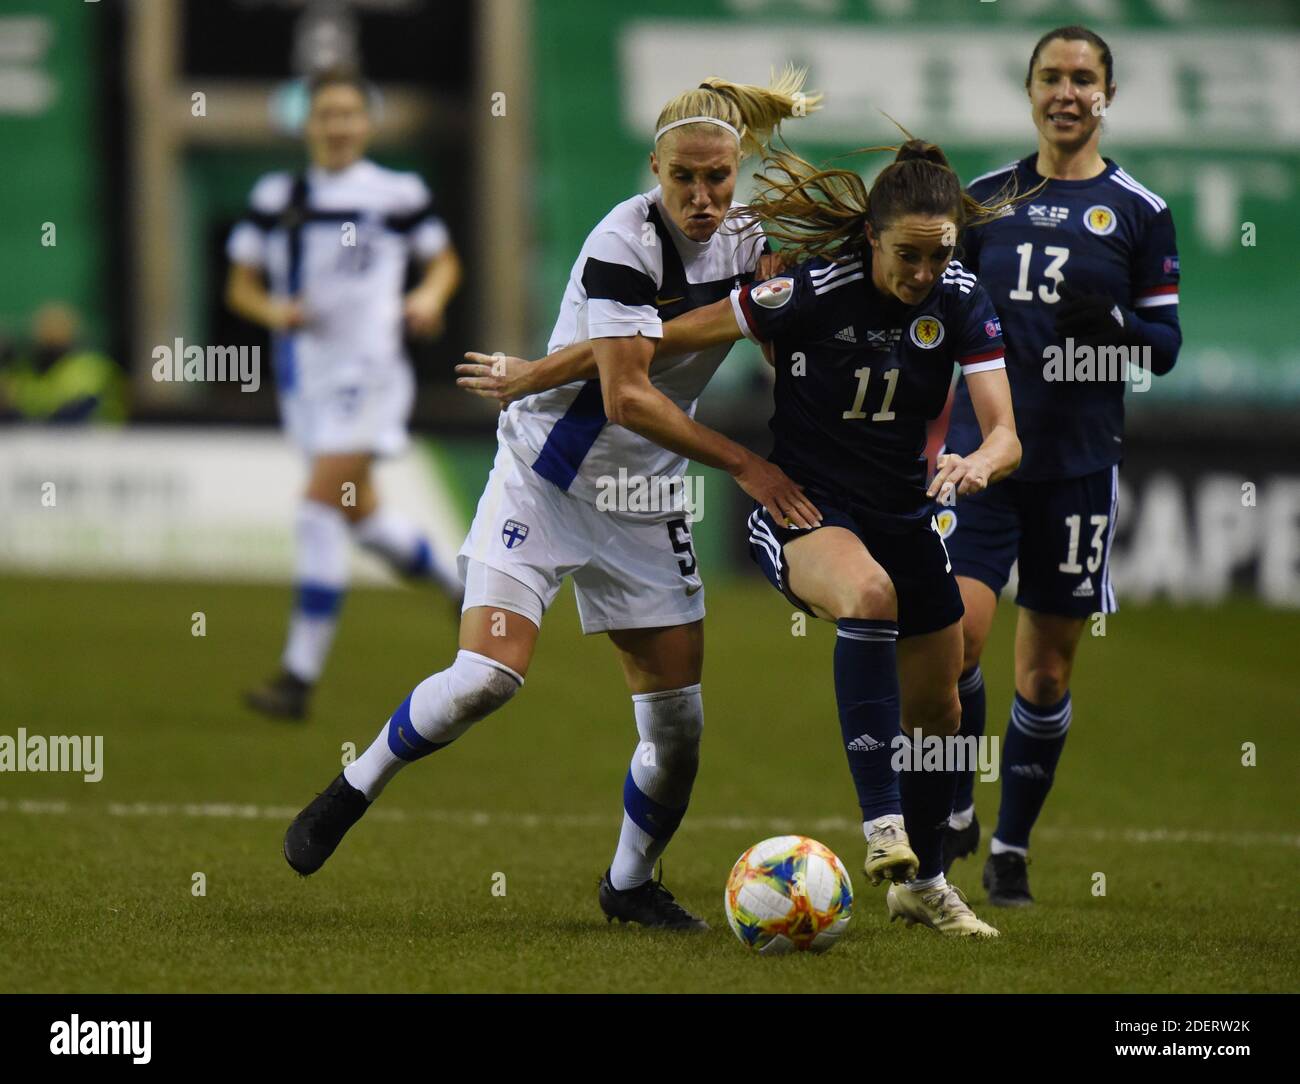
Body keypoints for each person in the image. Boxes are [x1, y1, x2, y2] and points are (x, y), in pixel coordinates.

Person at [283, 70, 822, 930]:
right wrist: (748, 466)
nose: (700, 195)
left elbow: (710, 324)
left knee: (679, 730)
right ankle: (353, 787)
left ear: (740, 168)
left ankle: (629, 884)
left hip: (645, 501)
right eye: (682, 177)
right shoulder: (623, 241)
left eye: (717, 178)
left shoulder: (754, 239)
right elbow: (628, 394)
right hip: (544, 479)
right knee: (485, 679)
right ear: (655, 167)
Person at [464, 138, 1024, 938]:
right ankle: (882, 829)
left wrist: (978, 462)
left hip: (904, 509)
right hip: (804, 505)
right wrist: (533, 373)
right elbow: (650, 341)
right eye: (909, 255)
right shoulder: (806, 293)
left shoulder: (963, 296)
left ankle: (926, 883)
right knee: (870, 596)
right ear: (871, 237)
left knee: (940, 706)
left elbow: (1007, 434)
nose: (925, 273)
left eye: (939, 255)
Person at [938, 26, 1182, 907]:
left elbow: (1165, 351)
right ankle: (956, 800)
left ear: (1106, 94)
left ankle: (1010, 847)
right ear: (1030, 89)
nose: (1067, 93)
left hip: (1078, 466)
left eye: (1084, 79)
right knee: (955, 638)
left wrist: (1115, 334)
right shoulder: (983, 201)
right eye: (1052, 77)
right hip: (980, 461)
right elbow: (939, 322)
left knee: (1044, 674)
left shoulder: (1142, 212)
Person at [226, 67, 464, 721]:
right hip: (305, 382)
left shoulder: (396, 192)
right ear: (308, 123)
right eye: (325, 113)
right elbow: (239, 285)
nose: (337, 125)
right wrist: (275, 313)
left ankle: (296, 680)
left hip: (373, 374)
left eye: (348, 113)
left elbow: (444, 261)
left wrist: (427, 295)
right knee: (363, 520)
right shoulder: (277, 195)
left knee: (316, 512)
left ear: (367, 123)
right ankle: (462, 585)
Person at [0, 303, 126, 424]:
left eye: (55, 329)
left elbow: (72, 414)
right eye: (44, 329)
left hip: (100, 441)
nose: (49, 335)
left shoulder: (91, 367)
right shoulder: (28, 369)